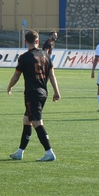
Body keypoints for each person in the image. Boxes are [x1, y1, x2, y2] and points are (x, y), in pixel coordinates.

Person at [7, 30, 60, 161]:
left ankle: (49, 152)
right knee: (27, 120)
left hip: (32, 94)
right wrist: (56, 91)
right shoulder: (46, 55)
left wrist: (10, 86)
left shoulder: (24, 57)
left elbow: (16, 76)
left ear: (25, 41)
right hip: (43, 92)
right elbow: (52, 75)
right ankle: (20, 152)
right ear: (37, 41)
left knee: (36, 122)